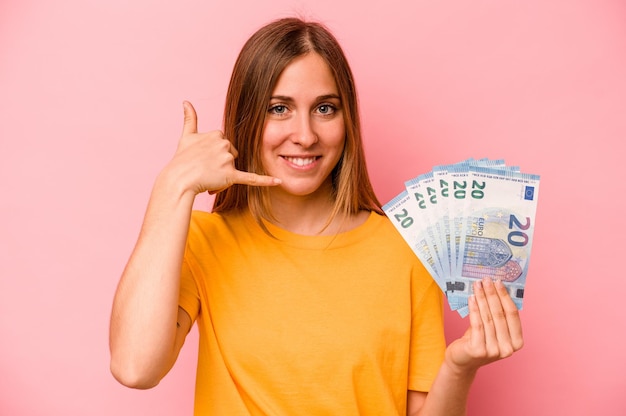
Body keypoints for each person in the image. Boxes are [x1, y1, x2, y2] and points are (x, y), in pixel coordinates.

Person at [109, 17, 523, 415]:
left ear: (347, 121)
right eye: (279, 108)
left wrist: (458, 367)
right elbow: (135, 368)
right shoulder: (203, 240)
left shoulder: (406, 251)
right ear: (246, 118)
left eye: (325, 109)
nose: (305, 135)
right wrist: (173, 186)